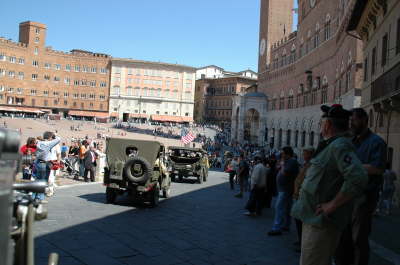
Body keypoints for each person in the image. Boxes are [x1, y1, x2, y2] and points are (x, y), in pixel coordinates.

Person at [291, 104, 368, 265]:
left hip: (322, 223)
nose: (320, 126)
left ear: (327, 125)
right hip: (313, 218)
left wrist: (331, 205)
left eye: (321, 123)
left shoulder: (340, 145)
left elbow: (358, 177)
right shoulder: (330, 145)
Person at [335, 107, 387, 265]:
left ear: (364, 120)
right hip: (345, 195)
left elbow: (377, 168)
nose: (351, 123)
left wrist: (353, 166)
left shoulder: (376, 142)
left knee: (359, 239)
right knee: (343, 236)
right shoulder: (349, 141)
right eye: (350, 121)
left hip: (364, 198)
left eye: (354, 120)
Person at [268, 146, 299, 236]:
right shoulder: (287, 161)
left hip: (286, 189)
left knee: (279, 207)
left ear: (287, 154)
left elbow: (285, 172)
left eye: (282, 153)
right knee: (287, 208)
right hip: (284, 189)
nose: (281, 155)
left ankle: (277, 228)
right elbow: (278, 168)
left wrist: (282, 163)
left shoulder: (292, 161)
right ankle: (286, 225)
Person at [292, 147, 315, 252]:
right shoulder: (306, 164)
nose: (303, 155)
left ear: (310, 154)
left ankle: (303, 243)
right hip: (298, 194)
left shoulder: (312, 165)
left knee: (301, 220)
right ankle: (301, 239)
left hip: (303, 196)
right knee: (298, 219)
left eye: (305, 153)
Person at [33, 131, 61, 201]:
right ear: (50, 137)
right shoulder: (49, 143)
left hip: (38, 162)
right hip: (45, 163)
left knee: (37, 180)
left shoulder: (39, 142)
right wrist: (55, 135)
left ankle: (33, 196)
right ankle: (40, 197)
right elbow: (58, 139)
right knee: (43, 181)